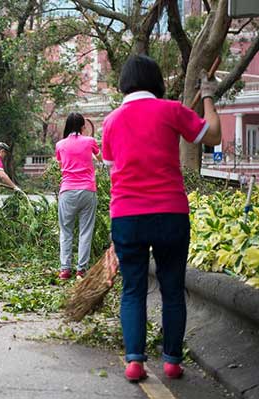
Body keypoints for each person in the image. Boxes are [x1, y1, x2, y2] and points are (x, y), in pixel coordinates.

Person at [102, 55, 221, 382]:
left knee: (133, 290)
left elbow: (115, 175)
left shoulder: (111, 121)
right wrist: (208, 94)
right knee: (171, 288)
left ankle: (135, 362)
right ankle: (171, 361)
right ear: (157, 82)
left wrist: (115, 233)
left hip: (127, 216)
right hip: (170, 213)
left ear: (124, 83)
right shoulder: (171, 111)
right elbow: (213, 135)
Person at [56, 112, 102, 280]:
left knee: (66, 231)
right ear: (83, 126)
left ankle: (65, 270)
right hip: (87, 191)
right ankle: (81, 270)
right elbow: (100, 158)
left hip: (67, 191)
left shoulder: (60, 144)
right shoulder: (90, 141)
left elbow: (61, 163)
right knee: (85, 231)